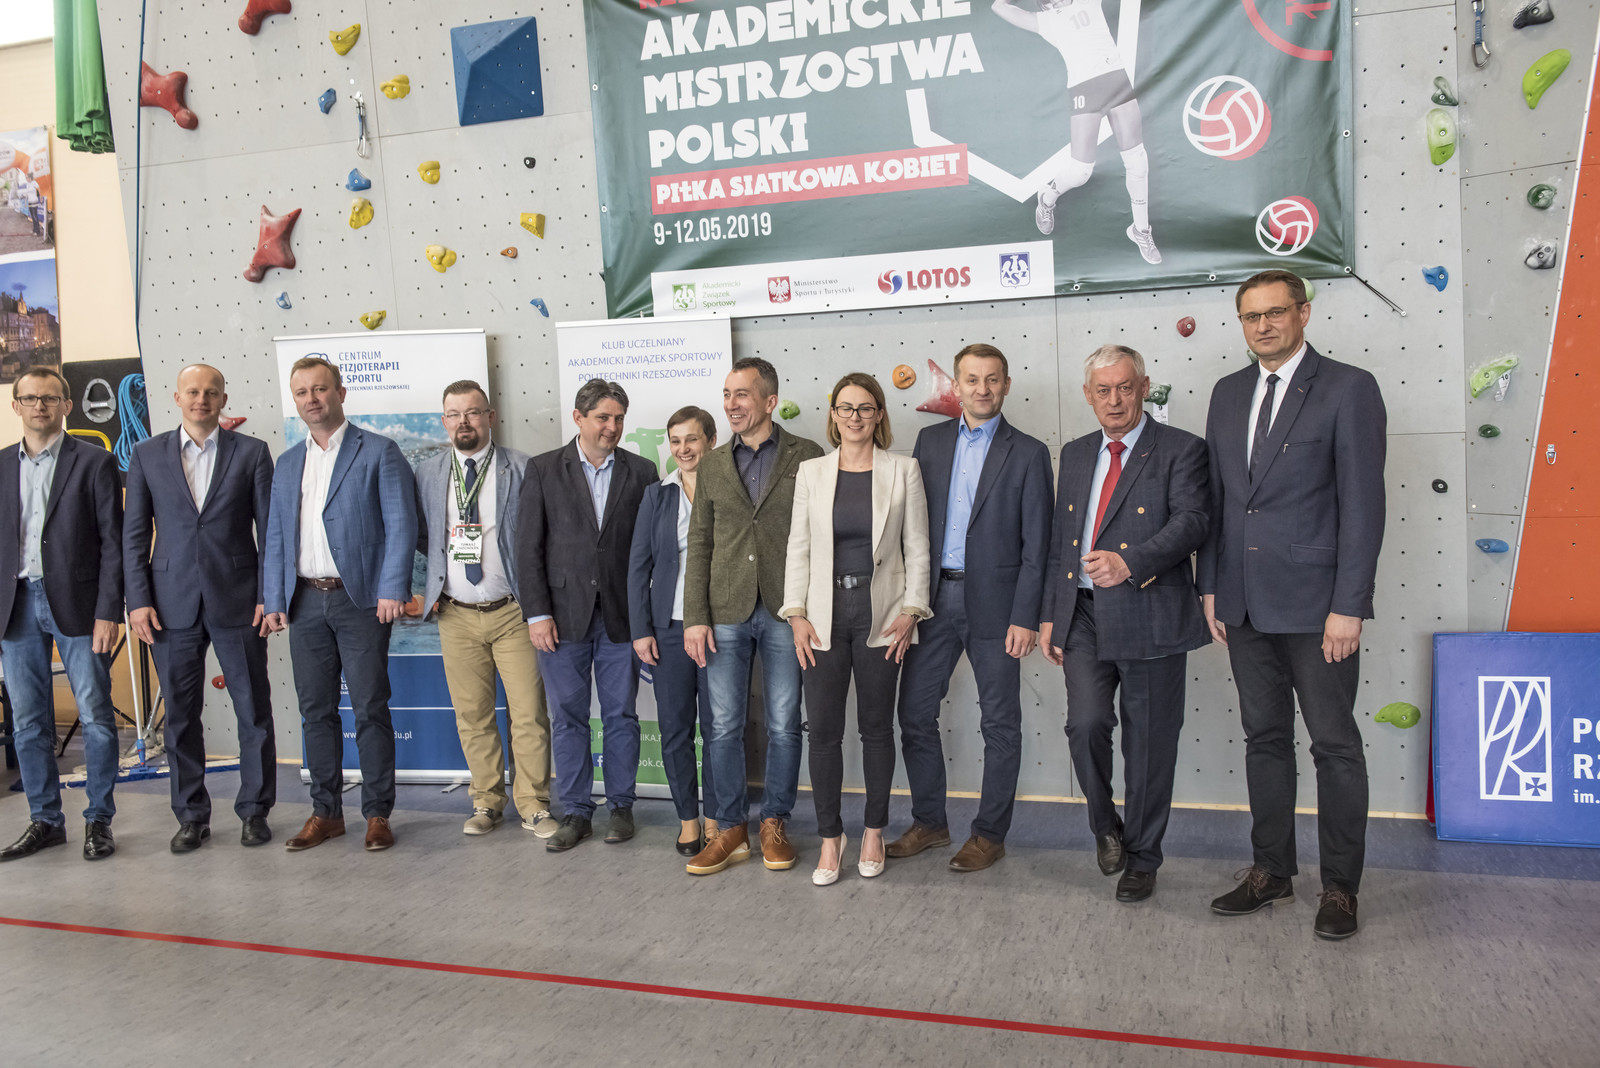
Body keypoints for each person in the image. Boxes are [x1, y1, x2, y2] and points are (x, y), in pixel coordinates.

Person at [1198, 269, 1387, 940]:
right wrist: (1211, 586)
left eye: (1276, 312)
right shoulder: (1227, 393)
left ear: (1304, 314)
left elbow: (1363, 505)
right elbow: (1221, 501)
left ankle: (1340, 889)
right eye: (1252, 316)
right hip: (1243, 605)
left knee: (1334, 746)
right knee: (1265, 741)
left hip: (1318, 610)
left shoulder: (1348, 388)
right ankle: (1271, 872)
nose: (1264, 326)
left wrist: (1350, 605)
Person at [1039, 345, 1209, 902]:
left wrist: (1129, 562)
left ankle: (1143, 857)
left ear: (1144, 387)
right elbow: (1062, 542)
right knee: (1085, 725)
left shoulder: (1182, 449)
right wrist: (1051, 615)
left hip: (1151, 613)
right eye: (1103, 390)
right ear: (1088, 395)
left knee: (1150, 744)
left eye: (1125, 388)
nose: (1114, 400)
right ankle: (1104, 824)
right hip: (1083, 615)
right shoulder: (1075, 452)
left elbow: (1193, 522)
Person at [888, 343, 1054, 873]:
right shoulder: (930, 442)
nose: (983, 389)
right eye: (973, 380)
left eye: (992, 379)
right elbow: (913, 528)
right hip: (933, 601)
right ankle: (930, 822)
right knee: (915, 713)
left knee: (1000, 723)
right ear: (956, 387)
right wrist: (908, 599)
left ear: (1006, 385)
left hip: (998, 607)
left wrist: (1026, 616)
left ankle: (989, 833)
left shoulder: (1028, 452)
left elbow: (1038, 546)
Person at [262, 357, 418, 853]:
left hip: (361, 601)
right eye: (302, 392)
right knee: (316, 712)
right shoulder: (288, 462)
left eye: (320, 389)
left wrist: (393, 587)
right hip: (304, 602)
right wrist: (273, 598)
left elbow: (402, 524)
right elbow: (277, 535)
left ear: (340, 392)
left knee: (370, 707)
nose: (312, 399)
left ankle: (377, 814)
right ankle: (326, 813)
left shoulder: (379, 451)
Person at [781, 373, 931, 886]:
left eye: (865, 408)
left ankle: (872, 832)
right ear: (833, 416)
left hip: (882, 615)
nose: (855, 417)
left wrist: (912, 610)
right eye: (845, 408)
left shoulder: (903, 470)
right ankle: (831, 838)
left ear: (879, 414)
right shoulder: (811, 472)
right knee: (823, 732)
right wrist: (795, 614)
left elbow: (918, 547)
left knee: (876, 729)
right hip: (821, 618)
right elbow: (798, 547)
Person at [124, 364, 277, 853]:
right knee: (181, 717)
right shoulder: (147, 455)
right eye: (192, 391)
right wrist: (138, 601)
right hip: (170, 605)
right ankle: (191, 817)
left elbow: (270, 532)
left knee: (253, 711)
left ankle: (255, 812)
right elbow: (133, 536)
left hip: (240, 600)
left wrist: (268, 595)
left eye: (211, 392)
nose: (201, 399)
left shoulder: (252, 452)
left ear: (223, 399)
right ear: (177, 397)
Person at [681, 357, 825, 877]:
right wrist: (694, 616)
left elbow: (821, 539)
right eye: (726, 394)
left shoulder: (808, 456)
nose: (731, 404)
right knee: (722, 726)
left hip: (788, 610)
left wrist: (810, 606)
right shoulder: (713, 463)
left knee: (785, 723)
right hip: (724, 609)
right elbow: (700, 542)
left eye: (741, 394)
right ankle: (731, 828)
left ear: (770, 401)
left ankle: (774, 822)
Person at [516, 378, 656, 853]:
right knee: (568, 718)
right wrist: (537, 613)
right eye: (602, 418)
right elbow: (527, 548)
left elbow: (649, 550)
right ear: (578, 418)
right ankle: (576, 811)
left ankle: (621, 807)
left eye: (618, 418)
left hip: (621, 617)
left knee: (621, 715)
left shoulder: (642, 471)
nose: (612, 427)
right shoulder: (542, 469)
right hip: (561, 619)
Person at [415, 380, 557, 839]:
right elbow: (423, 534)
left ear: (490, 417)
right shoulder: (428, 473)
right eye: (454, 414)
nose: (464, 422)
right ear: (443, 421)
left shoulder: (522, 467)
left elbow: (540, 537)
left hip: (513, 612)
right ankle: (486, 801)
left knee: (528, 714)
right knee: (473, 715)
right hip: (455, 614)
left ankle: (534, 804)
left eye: (473, 413)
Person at [0, 368, 123, 862]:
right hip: (14, 607)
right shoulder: (1, 464)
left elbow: (113, 544)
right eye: (30, 398)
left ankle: (99, 821)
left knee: (95, 716)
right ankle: (45, 821)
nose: (39, 406)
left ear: (66, 406)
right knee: (28, 721)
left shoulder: (94, 462)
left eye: (49, 398)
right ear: (16, 406)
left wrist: (108, 611)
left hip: (78, 604)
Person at [991, 0, 1161, 264]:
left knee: (1138, 161)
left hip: (1115, 80)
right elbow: (998, 7)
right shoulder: (1045, 20)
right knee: (1081, 171)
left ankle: (1140, 229)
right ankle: (1048, 197)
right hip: (1084, 90)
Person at [628, 406, 719, 857]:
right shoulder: (656, 495)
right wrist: (641, 629)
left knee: (721, 729)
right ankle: (688, 820)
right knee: (675, 729)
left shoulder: (729, 490)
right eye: (676, 441)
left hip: (720, 626)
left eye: (692, 439)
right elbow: (638, 566)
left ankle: (718, 819)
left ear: (711, 441)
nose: (683, 449)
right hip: (667, 628)